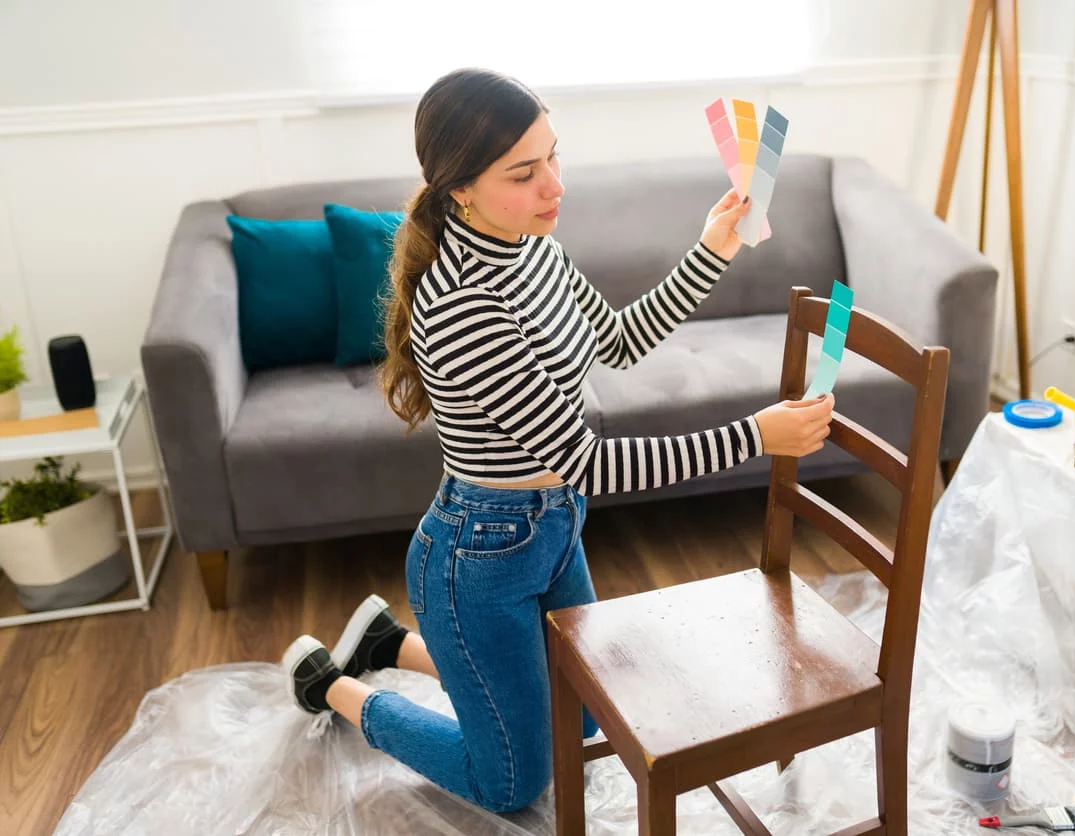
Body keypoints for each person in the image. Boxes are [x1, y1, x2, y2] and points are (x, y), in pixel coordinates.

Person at [279, 67, 835, 815]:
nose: (555, 187)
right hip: (480, 557)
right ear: (460, 190)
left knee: (581, 714)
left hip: (553, 527)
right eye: (524, 172)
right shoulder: (463, 307)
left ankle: (389, 645)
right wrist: (756, 436)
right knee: (511, 782)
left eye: (554, 157)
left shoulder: (535, 247)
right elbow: (586, 461)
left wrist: (712, 248)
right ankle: (333, 684)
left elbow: (618, 341)